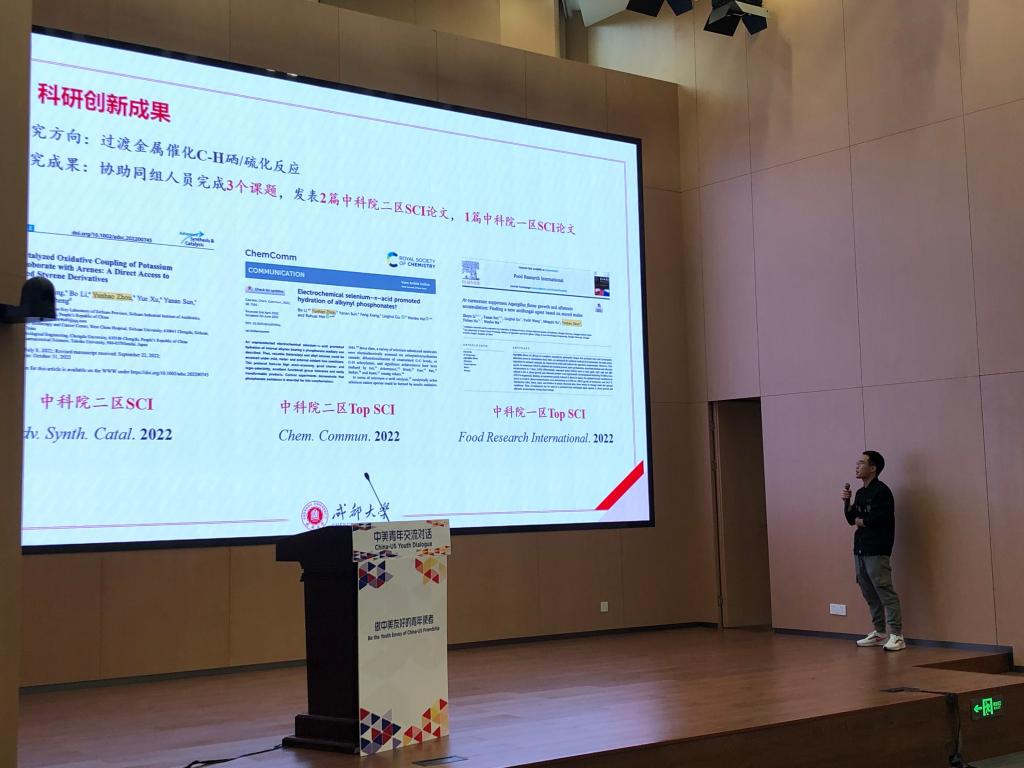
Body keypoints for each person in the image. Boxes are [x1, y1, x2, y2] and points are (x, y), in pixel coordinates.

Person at [841, 451, 905, 652]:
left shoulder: (882, 491)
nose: (857, 466)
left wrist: (861, 521)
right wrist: (846, 502)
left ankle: (897, 635)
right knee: (868, 590)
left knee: (884, 589)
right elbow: (851, 519)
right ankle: (879, 632)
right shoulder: (860, 493)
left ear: (873, 468)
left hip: (877, 548)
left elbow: (878, 519)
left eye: (861, 463)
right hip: (860, 547)